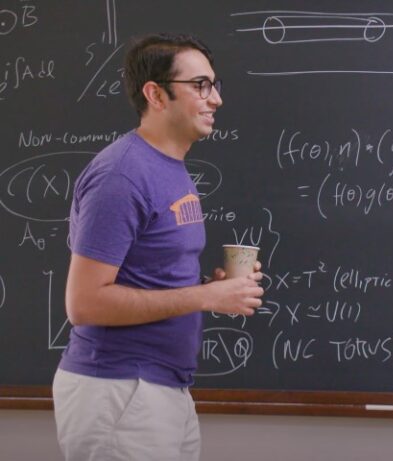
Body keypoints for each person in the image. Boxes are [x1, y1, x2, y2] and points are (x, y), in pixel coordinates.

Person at [52, 33, 263, 461]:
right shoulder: (121, 176)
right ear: (156, 94)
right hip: (120, 390)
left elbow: (149, 278)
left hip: (161, 388)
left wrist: (211, 289)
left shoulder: (168, 168)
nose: (216, 99)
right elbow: (85, 303)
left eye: (214, 85)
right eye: (200, 85)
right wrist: (206, 297)